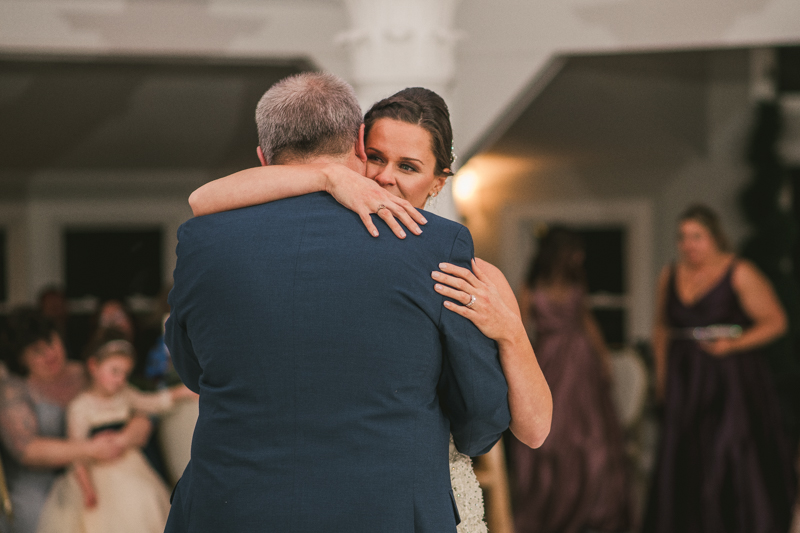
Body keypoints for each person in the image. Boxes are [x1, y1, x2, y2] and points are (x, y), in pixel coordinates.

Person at [165, 73, 537, 533]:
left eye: (407, 166)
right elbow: (482, 422)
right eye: (379, 158)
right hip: (389, 513)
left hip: (229, 511)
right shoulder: (436, 245)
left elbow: (191, 367)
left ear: (264, 161)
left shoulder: (201, 238)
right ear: (359, 146)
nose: (385, 177)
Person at [643, 204, 796, 533]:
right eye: (682, 237)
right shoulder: (670, 274)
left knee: (724, 450)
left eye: (697, 237)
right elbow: (661, 329)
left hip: (729, 378)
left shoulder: (740, 271)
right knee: (684, 454)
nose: (688, 245)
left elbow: (775, 322)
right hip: (685, 375)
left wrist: (732, 344)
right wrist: (662, 377)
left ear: (714, 237)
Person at [507, 227, 631, 533]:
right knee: (551, 436)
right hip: (548, 361)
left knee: (589, 437)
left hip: (581, 362)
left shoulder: (577, 279)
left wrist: (602, 357)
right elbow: (520, 327)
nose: (580, 256)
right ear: (559, 252)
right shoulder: (532, 284)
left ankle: (592, 509)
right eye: (575, 250)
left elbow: (586, 318)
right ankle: (551, 510)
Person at [0, 309, 152, 533]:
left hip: (96, 476)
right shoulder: (13, 390)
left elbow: (137, 410)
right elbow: (26, 450)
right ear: (20, 359)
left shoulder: (86, 372)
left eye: (51, 341)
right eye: (37, 351)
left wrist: (124, 437)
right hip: (40, 486)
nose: (50, 353)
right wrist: (92, 449)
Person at [36, 330, 196, 533]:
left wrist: (181, 392)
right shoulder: (80, 407)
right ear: (94, 366)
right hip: (98, 474)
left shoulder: (125, 394)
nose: (120, 379)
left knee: (143, 498)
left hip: (130, 464)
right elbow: (77, 451)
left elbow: (152, 402)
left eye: (125, 374)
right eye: (114, 371)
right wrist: (87, 488)